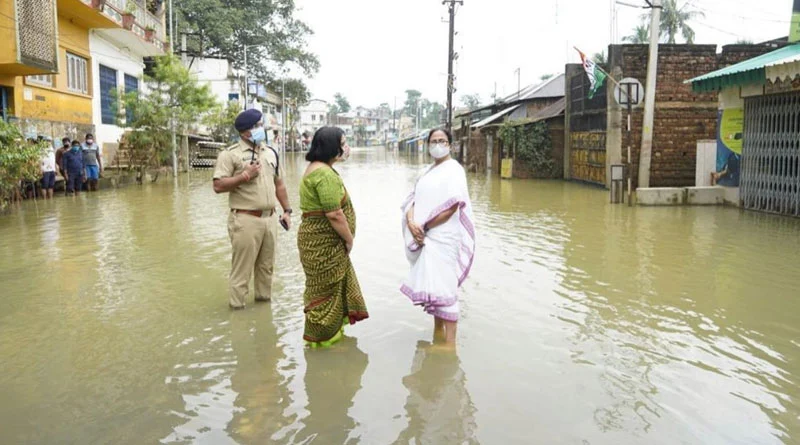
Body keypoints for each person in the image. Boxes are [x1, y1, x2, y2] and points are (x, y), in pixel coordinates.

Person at [400, 128, 475, 346]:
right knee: (434, 286)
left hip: (444, 237)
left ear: (450, 145)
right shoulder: (426, 172)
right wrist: (412, 223)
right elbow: (411, 200)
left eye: (442, 140)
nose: (438, 144)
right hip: (425, 236)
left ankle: (450, 345)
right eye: (434, 141)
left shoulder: (454, 170)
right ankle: (437, 333)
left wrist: (423, 226)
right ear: (428, 144)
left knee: (445, 287)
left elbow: (452, 207)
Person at [213, 108, 293, 310]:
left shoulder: (270, 152)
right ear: (246, 131)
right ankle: (237, 315)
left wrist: (287, 211)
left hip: (270, 219)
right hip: (245, 220)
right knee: (242, 271)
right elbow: (218, 186)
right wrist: (245, 176)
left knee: (266, 269)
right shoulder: (229, 154)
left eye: (261, 125)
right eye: (258, 126)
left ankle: (263, 311)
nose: (262, 129)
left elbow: (280, 184)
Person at [297, 126, 368, 347]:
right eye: (343, 142)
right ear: (331, 146)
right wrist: (349, 240)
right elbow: (334, 214)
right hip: (324, 244)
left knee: (325, 290)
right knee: (324, 293)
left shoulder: (316, 169)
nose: (346, 147)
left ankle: (332, 339)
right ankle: (322, 342)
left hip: (320, 243)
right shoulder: (323, 174)